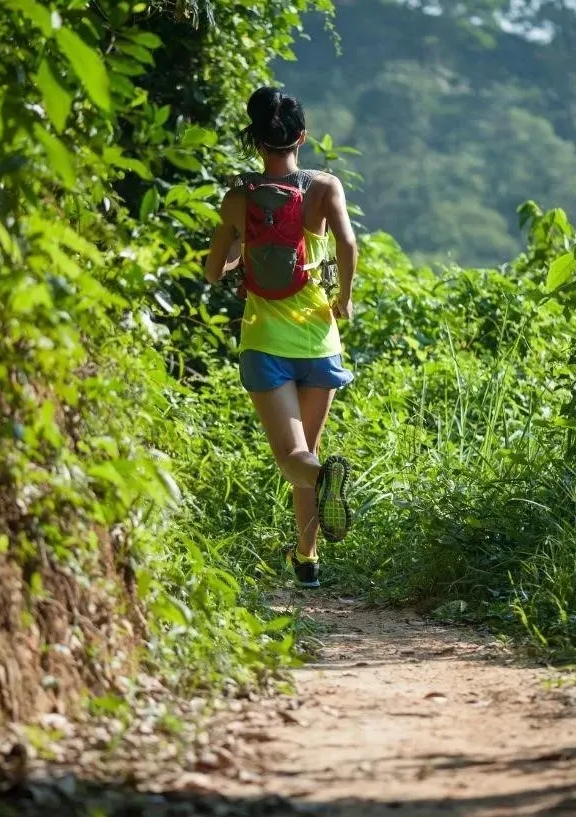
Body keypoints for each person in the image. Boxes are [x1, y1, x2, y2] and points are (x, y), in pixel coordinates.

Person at [203, 86, 358, 589]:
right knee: (306, 452)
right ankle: (307, 562)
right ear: (302, 136)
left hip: (265, 344)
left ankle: (322, 489)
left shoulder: (239, 197)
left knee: (296, 460)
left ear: (256, 141)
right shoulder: (324, 187)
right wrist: (344, 300)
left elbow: (212, 272)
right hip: (319, 341)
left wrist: (241, 248)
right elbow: (348, 244)